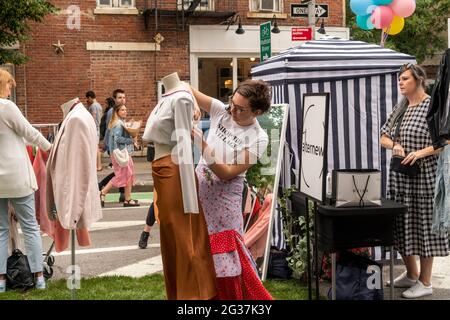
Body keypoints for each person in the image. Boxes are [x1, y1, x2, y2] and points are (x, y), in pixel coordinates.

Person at [189, 79, 273, 300]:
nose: (232, 110)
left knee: (226, 262)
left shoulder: (259, 138)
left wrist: (202, 145)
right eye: (232, 103)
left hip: (225, 204)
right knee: (199, 255)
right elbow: (183, 86)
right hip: (199, 195)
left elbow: (226, 172)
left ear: (257, 111)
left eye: (240, 108)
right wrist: (194, 104)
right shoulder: (221, 110)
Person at [142, 72, 216, 300]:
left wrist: (189, 196)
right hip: (162, 170)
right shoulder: (167, 96)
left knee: (186, 238)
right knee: (171, 236)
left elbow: (184, 146)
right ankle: (178, 294)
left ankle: (196, 296)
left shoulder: (181, 98)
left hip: (175, 171)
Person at [380, 63, 449, 299]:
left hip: (425, 178)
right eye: (399, 79)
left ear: (419, 79)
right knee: (400, 225)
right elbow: (383, 137)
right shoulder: (400, 108)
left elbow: (445, 142)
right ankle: (411, 273)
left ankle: (426, 282)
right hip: (400, 178)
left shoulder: (432, 106)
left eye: (405, 79)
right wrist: (395, 144)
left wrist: (419, 152)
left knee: (423, 228)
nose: (400, 82)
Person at [0, 69, 51, 292]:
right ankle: (38, 275)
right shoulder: (7, 107)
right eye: (9, 85)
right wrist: (50, 147)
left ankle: (1, 280)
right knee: (30, 226)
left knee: (1, 230)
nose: (11, 89)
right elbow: (29, 132)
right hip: (17, 175)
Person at [99, 104, 140, 207]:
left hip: (121, 152)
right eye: (122, 110)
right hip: (120, 153)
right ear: (117, 112)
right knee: (122, 175)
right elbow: (117, 139)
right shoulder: (118, 124)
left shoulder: (119, 122)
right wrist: (131, 140)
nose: (125, 111)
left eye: (125, 109)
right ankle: (102, 192)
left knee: (129, 175)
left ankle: (128, 199)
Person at [98, 89, 126, 203]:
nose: (122, 99)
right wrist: (106, 146)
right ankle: (103, 187)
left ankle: (123, 194)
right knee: (122, 171)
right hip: (114, 147)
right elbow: (109, 130)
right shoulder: (112, 112)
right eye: (120, 97)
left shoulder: (121, 111)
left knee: (121, 171)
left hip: (119, 146)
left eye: (124, 97)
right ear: (114, 99)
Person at [85, 91, 103, 171]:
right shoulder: (99, 105)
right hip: (97, 128)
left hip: (94, 128)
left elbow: (93, 117)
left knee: (95, 148)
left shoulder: (93, 106)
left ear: (89, 97)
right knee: (96, 147)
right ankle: (97, 165)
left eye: (87, 99)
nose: (87, 101)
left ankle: (98, 166)